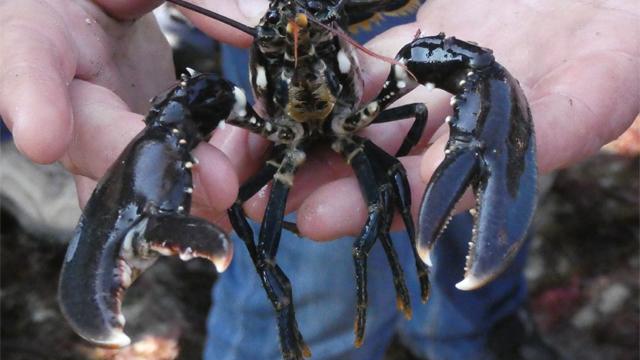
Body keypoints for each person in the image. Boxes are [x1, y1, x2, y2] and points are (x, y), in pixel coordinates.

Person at [0, 0, 637, 359]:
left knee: (468, 198)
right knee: (290, 273)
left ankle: (472, 336)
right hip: (270, 104)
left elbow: (424, 105)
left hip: (421, 20)